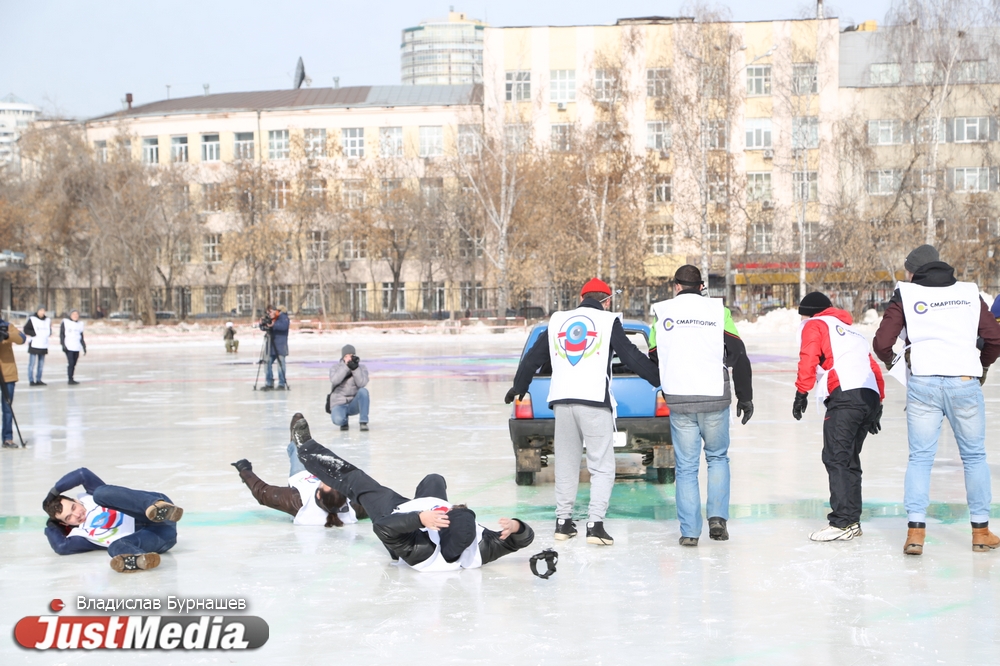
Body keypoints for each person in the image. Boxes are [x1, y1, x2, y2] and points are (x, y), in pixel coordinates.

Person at [506, 277, 660, 547]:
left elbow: (532, 358)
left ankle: (563, 522)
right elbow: (631, 356)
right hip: (593, 401)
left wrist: (519, 386)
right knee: (601, 466)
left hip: (562, 402)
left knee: (566, 463)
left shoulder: (557, 321)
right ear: (607, 301)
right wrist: (660, 379)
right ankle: (595, 525)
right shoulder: (608, 321)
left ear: (581, 298)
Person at [873, 244, 1000, 555]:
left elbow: (882, 342)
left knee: (920, 458)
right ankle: (981, 531)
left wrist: (895, 361)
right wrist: (982, 365)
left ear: (913, 271)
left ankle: (915, 533)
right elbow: (995, 338)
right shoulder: (969, 292)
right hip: (964, 382)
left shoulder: (906, 293)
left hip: (924, 382)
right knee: (974, 457)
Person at [291, 413, 535, 571]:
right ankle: (427, 505)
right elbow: (524, 539)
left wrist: (419, 519)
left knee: (357, 480)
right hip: (424, 514)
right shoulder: (482, 546)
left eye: (451, 512)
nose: (453, 507)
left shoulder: (421, 551)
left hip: (398, 520)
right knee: (434, 479)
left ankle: (306, 449)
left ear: (443, 525)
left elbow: (383, 527)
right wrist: (516, 527)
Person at [648, 265, 754, 547]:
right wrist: (745, 396)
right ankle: (717, 519)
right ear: (701, 286)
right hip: (714, 396)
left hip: (680, 398)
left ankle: (690, 532)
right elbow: (738, 353)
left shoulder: (662, 312)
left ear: (676, 286)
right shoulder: (718, 311)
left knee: (686, 467)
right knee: (717, 457)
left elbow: (654, 354)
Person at [793, 292, 885, 541]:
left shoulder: (815, 324)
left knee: (836, 457)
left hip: (846, 396)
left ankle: (842, 522)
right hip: (868, 395)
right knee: (849, 459)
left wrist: (801, 392)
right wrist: (878, 403)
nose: (801, 321)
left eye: (802, 315)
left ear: (810, 313)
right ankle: (852, 521)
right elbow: (873, 367)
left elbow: (808, 357)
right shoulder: (852, 331)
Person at [42, 467, 183, 572]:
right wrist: (52, 524)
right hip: (159, 537)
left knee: (101, 492)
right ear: (64, 523)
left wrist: (54, 492)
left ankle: (159, 508)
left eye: (73, 508)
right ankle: (141, 559)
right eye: (69, 517)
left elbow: (82, 474)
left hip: (150, 510)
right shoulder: (81, 535)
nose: (76, 515)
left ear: (76, 500)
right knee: (114, 548)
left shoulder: (90, 497)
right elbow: (60, 546)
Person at [231, 440, 367, 527]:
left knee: (298, 448)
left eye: (324, 483)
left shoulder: (297, 500)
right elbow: (375, 503)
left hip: (301, 476)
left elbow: (262, 492)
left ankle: (295, 435)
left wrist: (244, 470)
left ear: (318, 495)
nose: (326, 480)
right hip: (317, 475)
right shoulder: (353, 506)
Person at [329, 344, 369, 431]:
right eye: (346, 356)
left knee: (363, 391)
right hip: (338, 402)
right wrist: (346, 367)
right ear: (343, 357)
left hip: (353, 403)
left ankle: (363, 422)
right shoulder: (335, 368)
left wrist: (355, 369)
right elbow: (335, 380)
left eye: (351, 355)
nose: (349, 358)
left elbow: (362, 383)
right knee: (338, 420)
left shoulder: (361, 368)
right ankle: (344, 422)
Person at [1, 318, 26, 448]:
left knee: (7, 407)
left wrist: (7, 335)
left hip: (7, 373)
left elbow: (22, 338)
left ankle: (7, 438)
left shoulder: (7, 326)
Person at [259, 305, 289, 390]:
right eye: (268, 312)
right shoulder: (270, 318)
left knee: (280, 365)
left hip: (280, 345)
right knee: (267, 363)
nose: (269, 314)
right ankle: (269, 383)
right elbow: (264, 328)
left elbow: (284, 326)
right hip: (270, 345)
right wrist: (261, 324)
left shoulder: (283, 317)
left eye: (270, 312)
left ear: (276, 311)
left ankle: (281, 383)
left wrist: (274, 324)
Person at [23, 306, 51, 386]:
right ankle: (31, 380)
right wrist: (34, 333)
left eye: (44, 310)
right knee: (32, 364)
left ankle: (39, 379)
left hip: (43, 344)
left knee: (41, 364)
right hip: (34, 344)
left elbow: (49, 330)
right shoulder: (32, 319)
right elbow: (26, 329)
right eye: (41, 310)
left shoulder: (47, 320)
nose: (42, 312)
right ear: (38, 311)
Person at [60, 309, 86, 385]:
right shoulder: (66, 322)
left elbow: (81, 336)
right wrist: (63, 344)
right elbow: (62, 334)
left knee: (74, 363)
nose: (75, 316)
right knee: (71, 363)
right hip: (68, 346)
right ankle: (70, 379)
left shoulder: (80, 324)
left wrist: (84, 346)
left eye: (77, 314)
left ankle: (72, 377)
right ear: (70, 315)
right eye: (74, 314)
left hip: (76, 346)